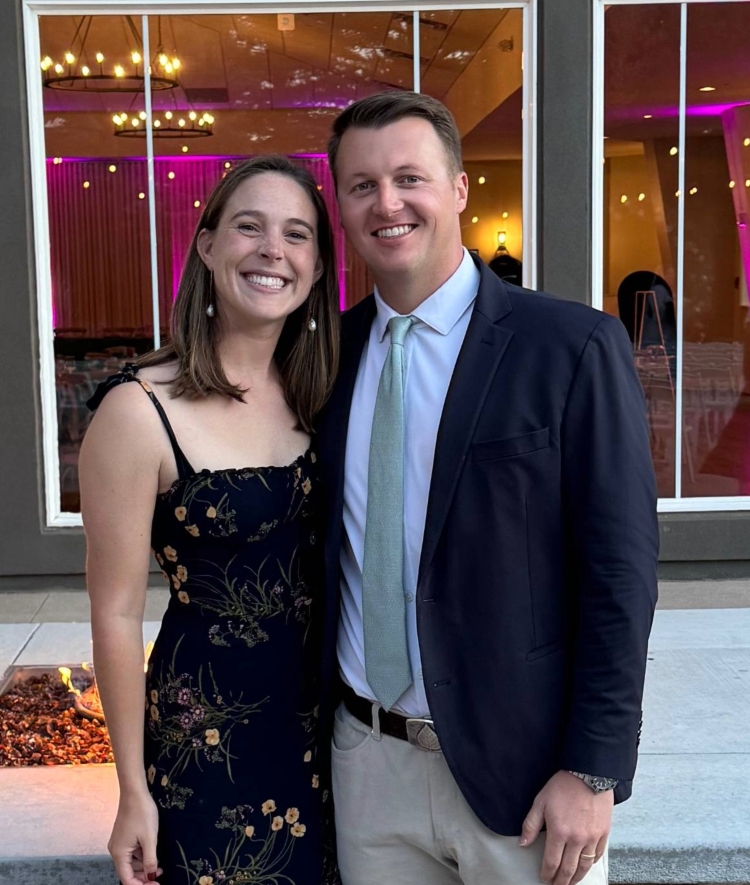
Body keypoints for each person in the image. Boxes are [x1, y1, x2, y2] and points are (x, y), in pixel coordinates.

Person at [315, 92, 659, 885]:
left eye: (410, 177)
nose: (387, 202)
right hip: (368, 767)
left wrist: (595, 767)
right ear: (341, 203)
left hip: (528, 777)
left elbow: (620, 574)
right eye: (362, 184)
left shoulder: (569, 346)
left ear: (460, 188)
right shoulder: (323, 359)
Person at [80, 156, 340, 885]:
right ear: (206, 245)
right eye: (248, 227)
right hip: (208, 741)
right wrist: (132, 788)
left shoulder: (322, 390)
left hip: (327, 730)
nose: (272, 251)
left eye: (297, 235)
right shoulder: (138, 411)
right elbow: (116, 610)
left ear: (317, 269)